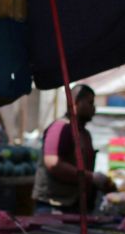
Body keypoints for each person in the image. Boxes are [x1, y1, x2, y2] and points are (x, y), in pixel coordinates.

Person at [32, 84, 115, 213]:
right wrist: (90, 177)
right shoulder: (60, 128)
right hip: (55, 206)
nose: (94, 108)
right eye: (90, 103)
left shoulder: (85, 134)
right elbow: (53, 163)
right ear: (76, 103)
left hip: (75, 206)